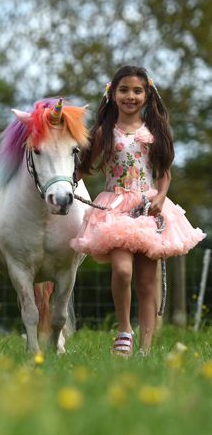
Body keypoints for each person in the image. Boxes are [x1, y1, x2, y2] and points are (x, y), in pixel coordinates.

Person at [70, 65, 206, 356]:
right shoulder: (105, 132)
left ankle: (145, 349)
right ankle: (124, 329)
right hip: (116, 209)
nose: (130, 96)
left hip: (148, 209)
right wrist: (60, 186)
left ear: (147, 95)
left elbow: (164, 172)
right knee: (121, 270)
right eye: (124, 90)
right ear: (112, 93)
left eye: (137, 90)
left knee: (146, 283)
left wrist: (162, 196)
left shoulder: (154, 130)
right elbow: (82, 169)